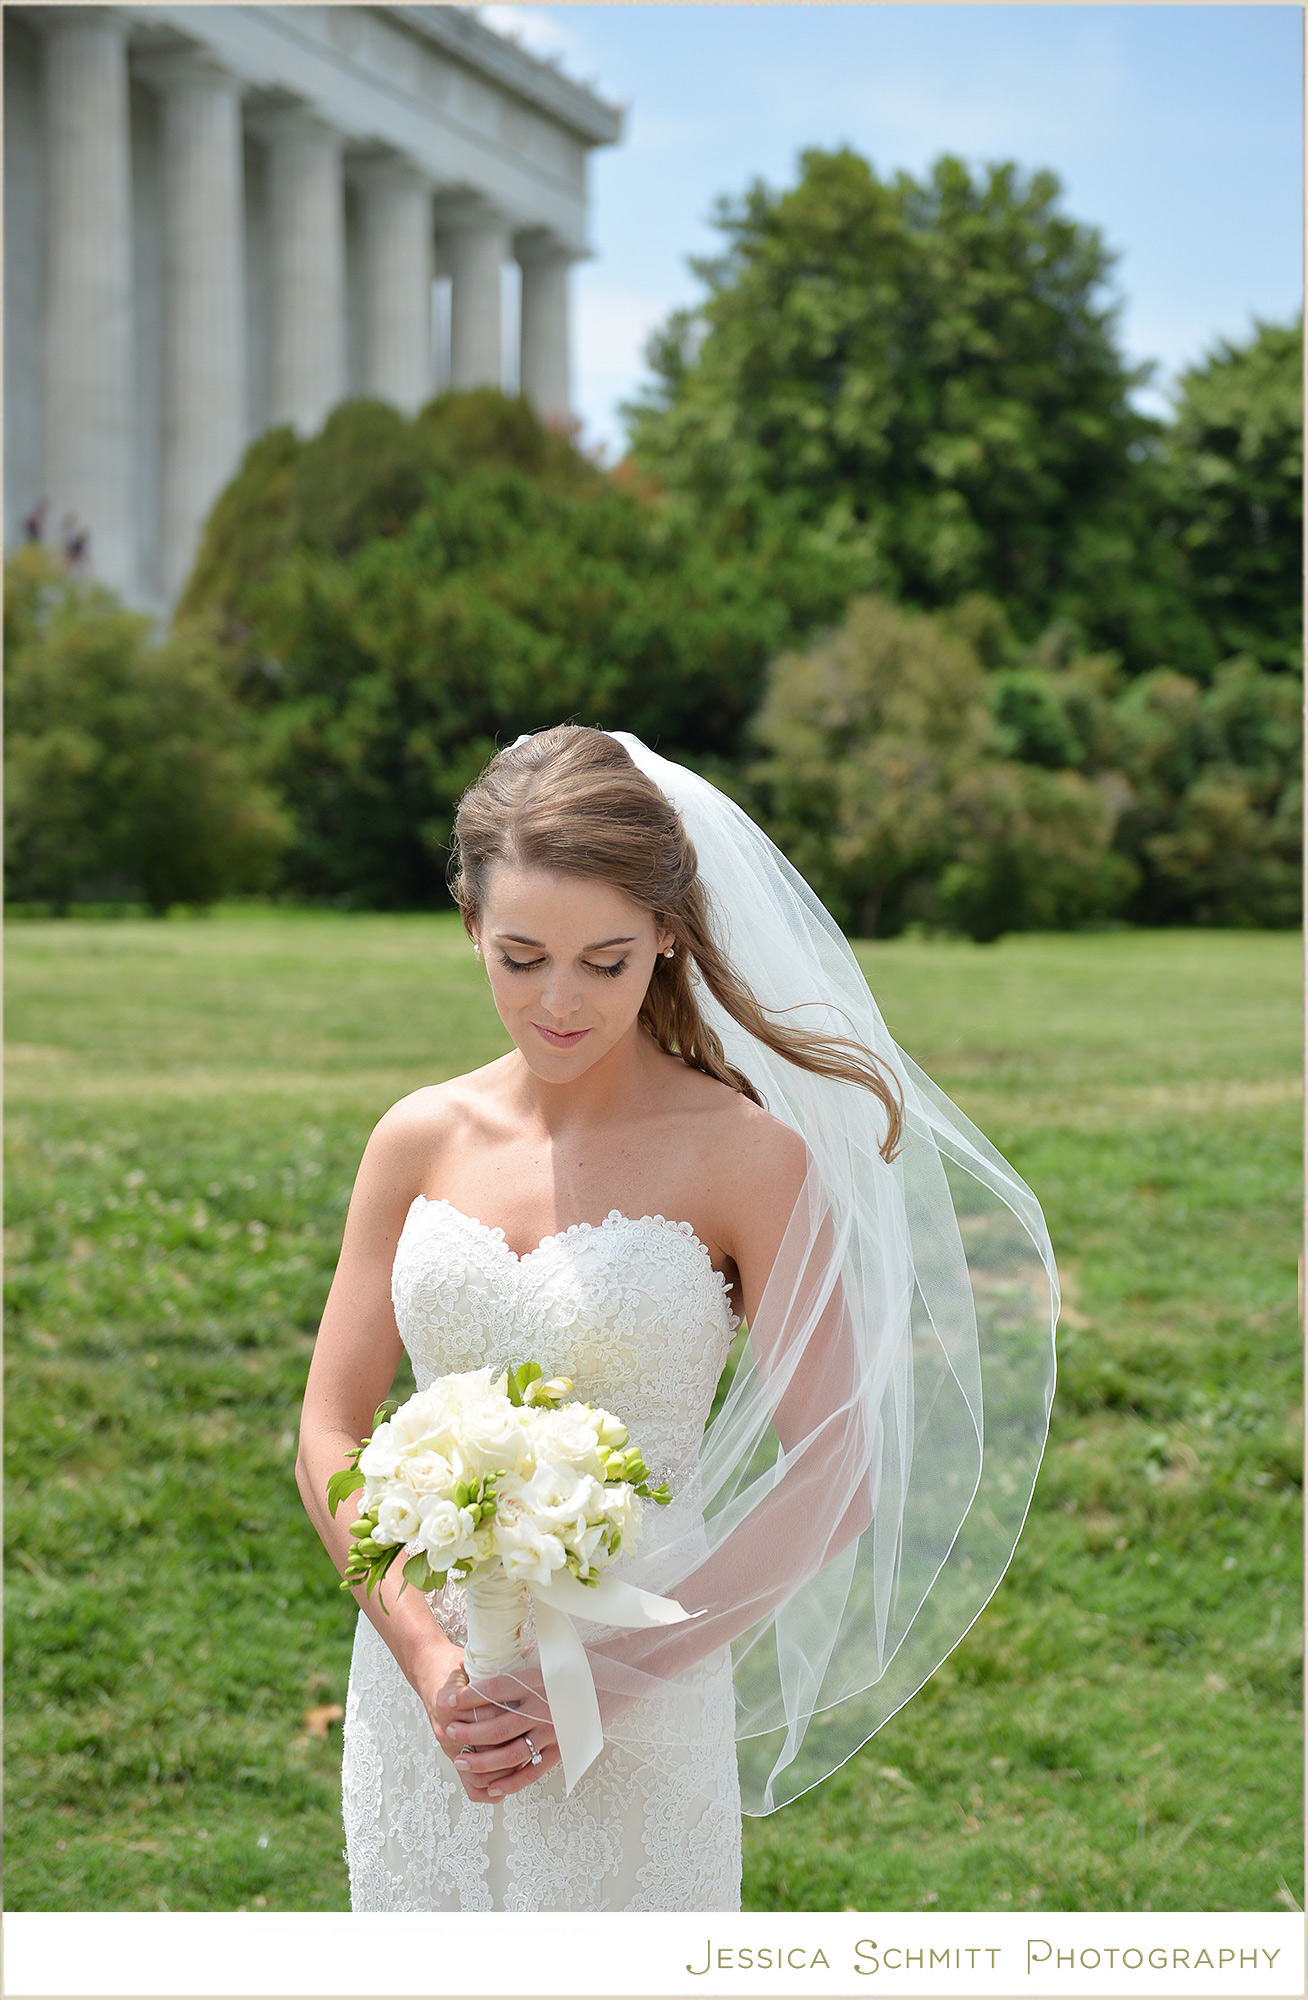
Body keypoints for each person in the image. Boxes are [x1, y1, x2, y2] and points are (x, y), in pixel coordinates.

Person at [296, 724, 1058, 1912]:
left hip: (643, 1681)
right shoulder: (417, 1137)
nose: (559, 1001)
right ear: (471, 925)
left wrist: (601, 1678)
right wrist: (428, 1656)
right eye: (520, 956)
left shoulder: (747, 1156)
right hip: (429, 1704)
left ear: (665, 932)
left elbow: (836, 1468)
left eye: (604, 962)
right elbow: (330, 1430)